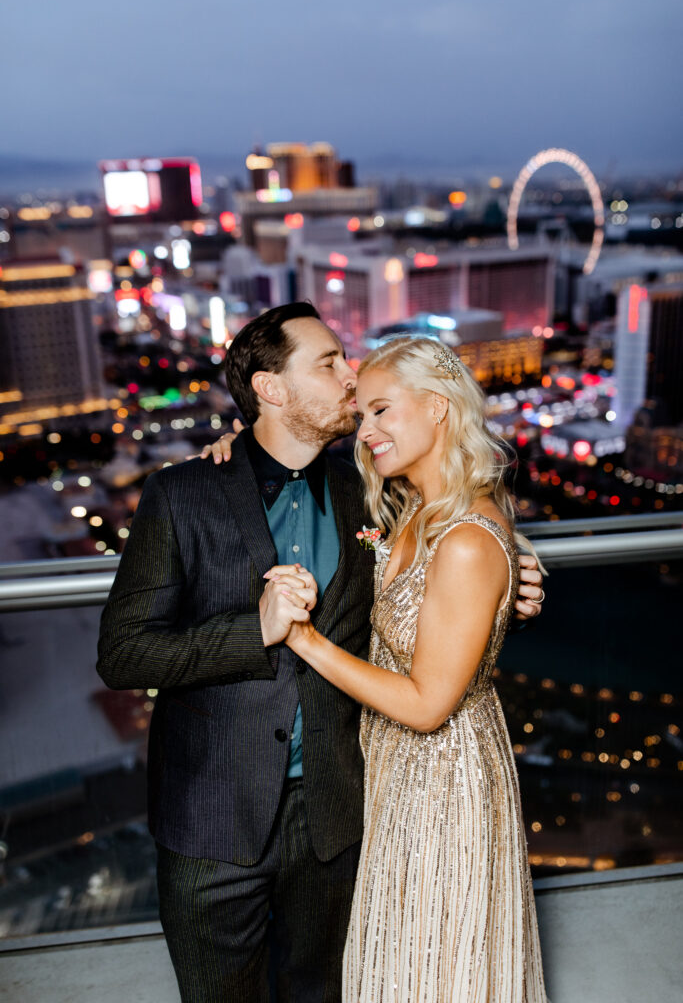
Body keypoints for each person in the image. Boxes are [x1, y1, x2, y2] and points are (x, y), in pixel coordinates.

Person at [97, 303, 544, 1003]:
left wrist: (512, 581)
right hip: (212, 822)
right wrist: (258, 629)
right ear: (271, 390)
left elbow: (444, 569)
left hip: (340, 815)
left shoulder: (371, 494)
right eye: (330, 363)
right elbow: (124, 655)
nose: (349, 375)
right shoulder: (180, 494)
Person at [259, 336, 549, 1002]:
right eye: (361, 416)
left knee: (438, 964)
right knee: (402, 957)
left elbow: (425, 705)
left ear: (439, 407)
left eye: (382, 411)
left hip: (446, 779)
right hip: (394, 770)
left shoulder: (467, 539)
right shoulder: (407, 511)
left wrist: (302, 640)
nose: (365, 433)